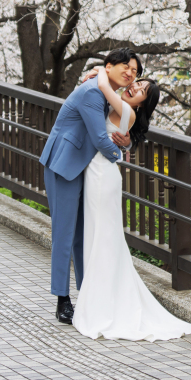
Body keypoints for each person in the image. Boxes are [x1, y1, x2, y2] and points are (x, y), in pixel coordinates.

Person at [72, 68, 191, 341]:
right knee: (100, 239)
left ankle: (102, 307)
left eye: (140, 90)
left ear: (142, 104)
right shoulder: (117, 105)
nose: (133, 88)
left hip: (103, 179)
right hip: (97, 174)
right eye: (136, 83)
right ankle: (99, 301)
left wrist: (99, 72)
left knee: (103, 240)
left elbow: (105, 87)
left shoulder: (126, 112)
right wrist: (98, 71)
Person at [40, 48, 139, 323]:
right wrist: (120, 155)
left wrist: (127, 143)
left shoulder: (108, 93)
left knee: (84, 233)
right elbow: (99, 138)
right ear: (108, 66)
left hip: (88, 169)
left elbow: (121, 132)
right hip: (65, 164)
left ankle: (87, 292)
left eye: (134, 70)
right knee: (65, 233)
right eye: (125, 66)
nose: (130, 73)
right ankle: (62, 299)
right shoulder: (93, 91)